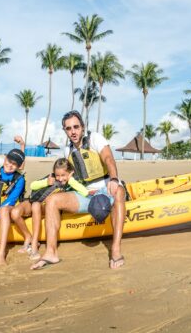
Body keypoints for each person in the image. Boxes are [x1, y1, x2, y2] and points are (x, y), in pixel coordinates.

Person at [31, 111, 126, 270]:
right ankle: (51, 252)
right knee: (52, 201)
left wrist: (114, 179)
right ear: (65, 130)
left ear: (82, 127)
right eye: (68, 128)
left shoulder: (95, 138)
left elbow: (109, 158)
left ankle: (115, 250)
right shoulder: (67, 151)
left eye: (76, 127)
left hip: (106, 187)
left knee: (119, 192)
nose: (73, 131)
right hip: (85, 193)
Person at [11, 158, 88, 261]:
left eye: (63, 175)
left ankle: (34, 246)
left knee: (36, 206)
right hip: (34, 201)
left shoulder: (71, 183)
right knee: (15, 213)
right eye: (58, 175)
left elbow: (85, 192)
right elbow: (32, 185)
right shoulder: (51, 178)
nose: (60, 179)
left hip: (45, 207)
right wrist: (46, 182)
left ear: (70, 173)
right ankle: (28, 237)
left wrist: (70, 180)